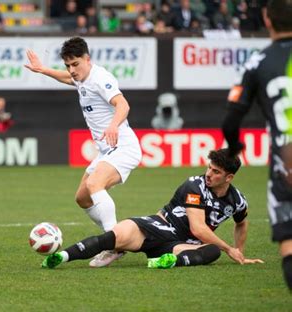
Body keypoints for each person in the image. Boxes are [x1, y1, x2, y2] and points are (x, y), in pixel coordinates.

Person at [25, 37, 142, 268]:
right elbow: (69, 78)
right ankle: (117, 237)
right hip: (106, 150)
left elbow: (123, 105)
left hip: (124, 146)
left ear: (88, 59)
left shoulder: (101, 78)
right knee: (82, 197)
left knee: (94, 185)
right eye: (68, 65)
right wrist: (43, 70)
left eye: (76, 64)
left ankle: (113, 244)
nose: (72, 70)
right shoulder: (80, 77)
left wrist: (113, 125)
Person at [42, 149, 264, 269]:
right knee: (115, 235)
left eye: (216, 172)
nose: (209, 173)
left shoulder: (237, 201)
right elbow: (197, 228)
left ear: (229, 177)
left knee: (211, 251)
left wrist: (240, 251)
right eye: (209, 167)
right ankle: (61, 256)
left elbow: (241, 222)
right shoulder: (195, 185)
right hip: (159, 226)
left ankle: (164, 261)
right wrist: (230, 249)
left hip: (182, 245)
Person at [222, 0, 292, 290]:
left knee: (289, 247)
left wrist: (235, 147)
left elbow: (230, 121)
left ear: (267, 20)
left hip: (286, 165)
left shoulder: (257, 62)